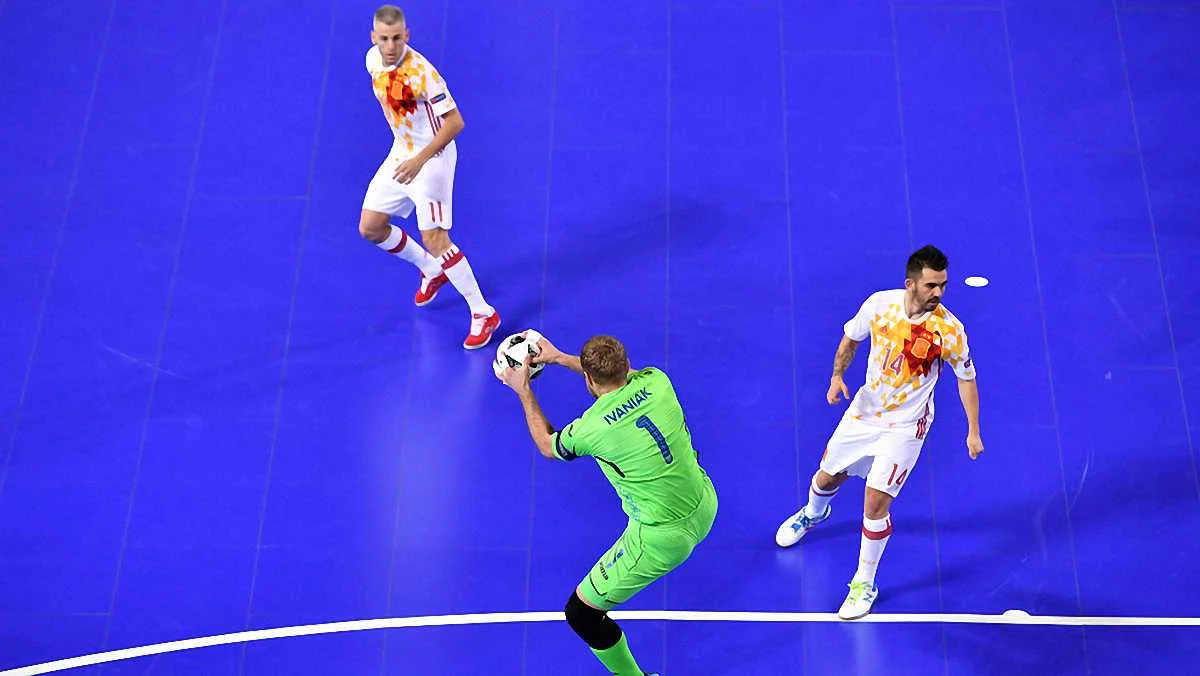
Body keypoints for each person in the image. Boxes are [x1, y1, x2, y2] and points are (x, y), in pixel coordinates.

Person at [774, 245, 984, 620]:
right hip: (865, 413)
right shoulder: (879, 305)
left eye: (943, 285)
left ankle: (864, 583)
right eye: (931, 285)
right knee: (826, 478)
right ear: (910, 284)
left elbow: (966, 378)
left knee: (874, 503)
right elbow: (851, 338)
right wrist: (837, 376)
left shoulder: (949, 331)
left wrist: (973, 430)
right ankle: (813, 514)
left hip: (907, 425)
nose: (938, 293)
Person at [496, 333, 718, 676]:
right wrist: (558, 357)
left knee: (581, 614)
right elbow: (615, 379)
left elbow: (547, 444)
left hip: (661, 539)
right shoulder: (658, 381)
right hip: (705, 502)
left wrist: (523, 389)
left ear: (588, 378)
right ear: (627, 365)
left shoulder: (590, 429)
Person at [359, 4, 500, 349]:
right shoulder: (372, 61)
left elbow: (455, 123)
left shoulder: (424, 74)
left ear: (406, 35)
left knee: (435, 237)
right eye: (384, 39)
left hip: (433, 157)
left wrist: (420, 159)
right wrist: (409, 154)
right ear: (373, 37)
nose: (390, 46)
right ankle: (431, 268)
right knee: (371, 227)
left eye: (397, 38)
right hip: (403, 152)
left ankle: (483, 313)